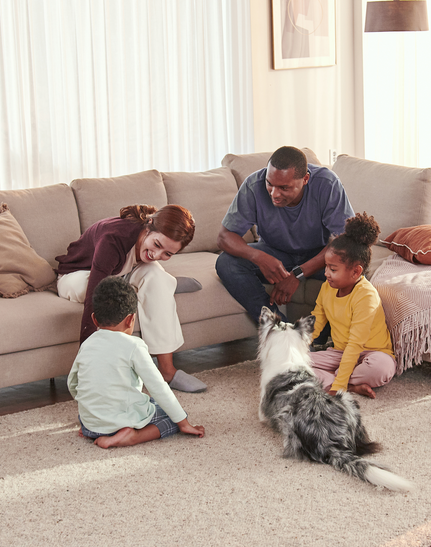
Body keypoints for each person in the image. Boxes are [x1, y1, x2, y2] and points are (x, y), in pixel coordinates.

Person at [55, 204, 207, 393]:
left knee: (156, 277)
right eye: (157, 245)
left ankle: (167, 372)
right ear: (148, 225)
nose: (156, 255)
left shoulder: (149, 248)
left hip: (122, 272)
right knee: (107, 291)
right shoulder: (113, 239)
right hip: (78, 276)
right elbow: (94, 301)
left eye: (167, 254)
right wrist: (87, 365)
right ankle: (161, 286)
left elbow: (150, 258)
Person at [215, 146, 353, 324]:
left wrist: (298, 274)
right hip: (275, 253)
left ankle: (328, 338)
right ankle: (278, 328)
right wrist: (259, 258)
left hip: (318, 256)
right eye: (270, 184)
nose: (274, 194)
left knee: (354, 269)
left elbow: (347, 239)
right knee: (226, 262)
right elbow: (224, 237)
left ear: (305, 179)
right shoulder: (253, 185)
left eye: (284, 188)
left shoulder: (327, 183)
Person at [68, 276, 205, 448]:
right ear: (131, 319)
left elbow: (72, 382)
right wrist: (184, 423)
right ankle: (131, 436)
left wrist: (89, 411)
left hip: (90, 425)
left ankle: (94, 428)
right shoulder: (134, 345)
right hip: (120, 422)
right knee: (174, 417)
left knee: (149, 403)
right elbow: (158, 387)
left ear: (95, 319)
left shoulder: (87, 344)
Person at [308, 213, 396, 399]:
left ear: (356, 271)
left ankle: (337, 381)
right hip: (340, 353)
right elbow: (315, 324)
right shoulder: (327, 288)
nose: (326, 274)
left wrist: (338, 386)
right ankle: (352, 386)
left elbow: (356, 344)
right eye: (326, 267)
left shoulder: (366, 296)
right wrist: (295, 349)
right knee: (292, 364)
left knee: (381, 369)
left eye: (333, 269)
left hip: (372, 353)